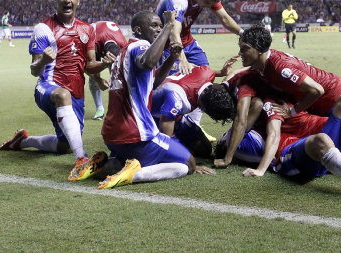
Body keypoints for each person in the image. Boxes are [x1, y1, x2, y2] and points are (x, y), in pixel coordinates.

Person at [69, 10, 215, 188]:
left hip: (112, 134)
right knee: (189, 164)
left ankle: (102, 165)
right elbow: (147, 62)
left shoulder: (124, 51)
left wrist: (171, 59)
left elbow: (152, 83)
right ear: (138, 29)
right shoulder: (141, 46)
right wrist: (169, 26)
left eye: (160, 26)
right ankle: (133, 174)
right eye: (154, 25)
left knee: (131, 158)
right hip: (135, 134)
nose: (158, 29)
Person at [0, 0, 116, 178]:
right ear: (56, 0)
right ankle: (81, 160)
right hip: (48, 88)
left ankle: (23, 141)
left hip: (76, 94)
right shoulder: (43, 29)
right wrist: (44, 59)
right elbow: (35, 70)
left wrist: (103, 66)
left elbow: (89, 65)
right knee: (62, 95)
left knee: (65, 145)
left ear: (79, 1)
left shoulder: (87, 30)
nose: (67, 0)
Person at [237, 25, 341, 173]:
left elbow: (317, 90)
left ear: (259, 50)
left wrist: (293, 111)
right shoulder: (263, 64)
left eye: (244, 48)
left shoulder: (279, 67)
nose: (240, 53)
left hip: (335, 96)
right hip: (318, 101)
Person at [155, 0, 243, 75]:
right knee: (176, 81)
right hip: (168, 45)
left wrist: (243, 33)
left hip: (188, 42)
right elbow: (174, 31)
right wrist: (183, 60)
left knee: (204, 76)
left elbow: (224, 18)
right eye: (207, 3)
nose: (209, 7)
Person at [151, 61, 237, 157]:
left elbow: (201, 70)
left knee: (205, 150)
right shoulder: (177, 99)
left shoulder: (207, 74)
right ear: (204, 107)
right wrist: (187, 160)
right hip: (153, 116)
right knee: (168, 150)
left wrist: (221, 72)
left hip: (173, 112)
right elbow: (166, 138)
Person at [88, 21, 128, 120]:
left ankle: (120, 108)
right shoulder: (93, 42)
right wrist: (98, 80)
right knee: (94, 77)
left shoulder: (125, 47)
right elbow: (86, 66)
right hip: (96, 37)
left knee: (118, 79)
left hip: (108, 37)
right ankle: (99, 109)